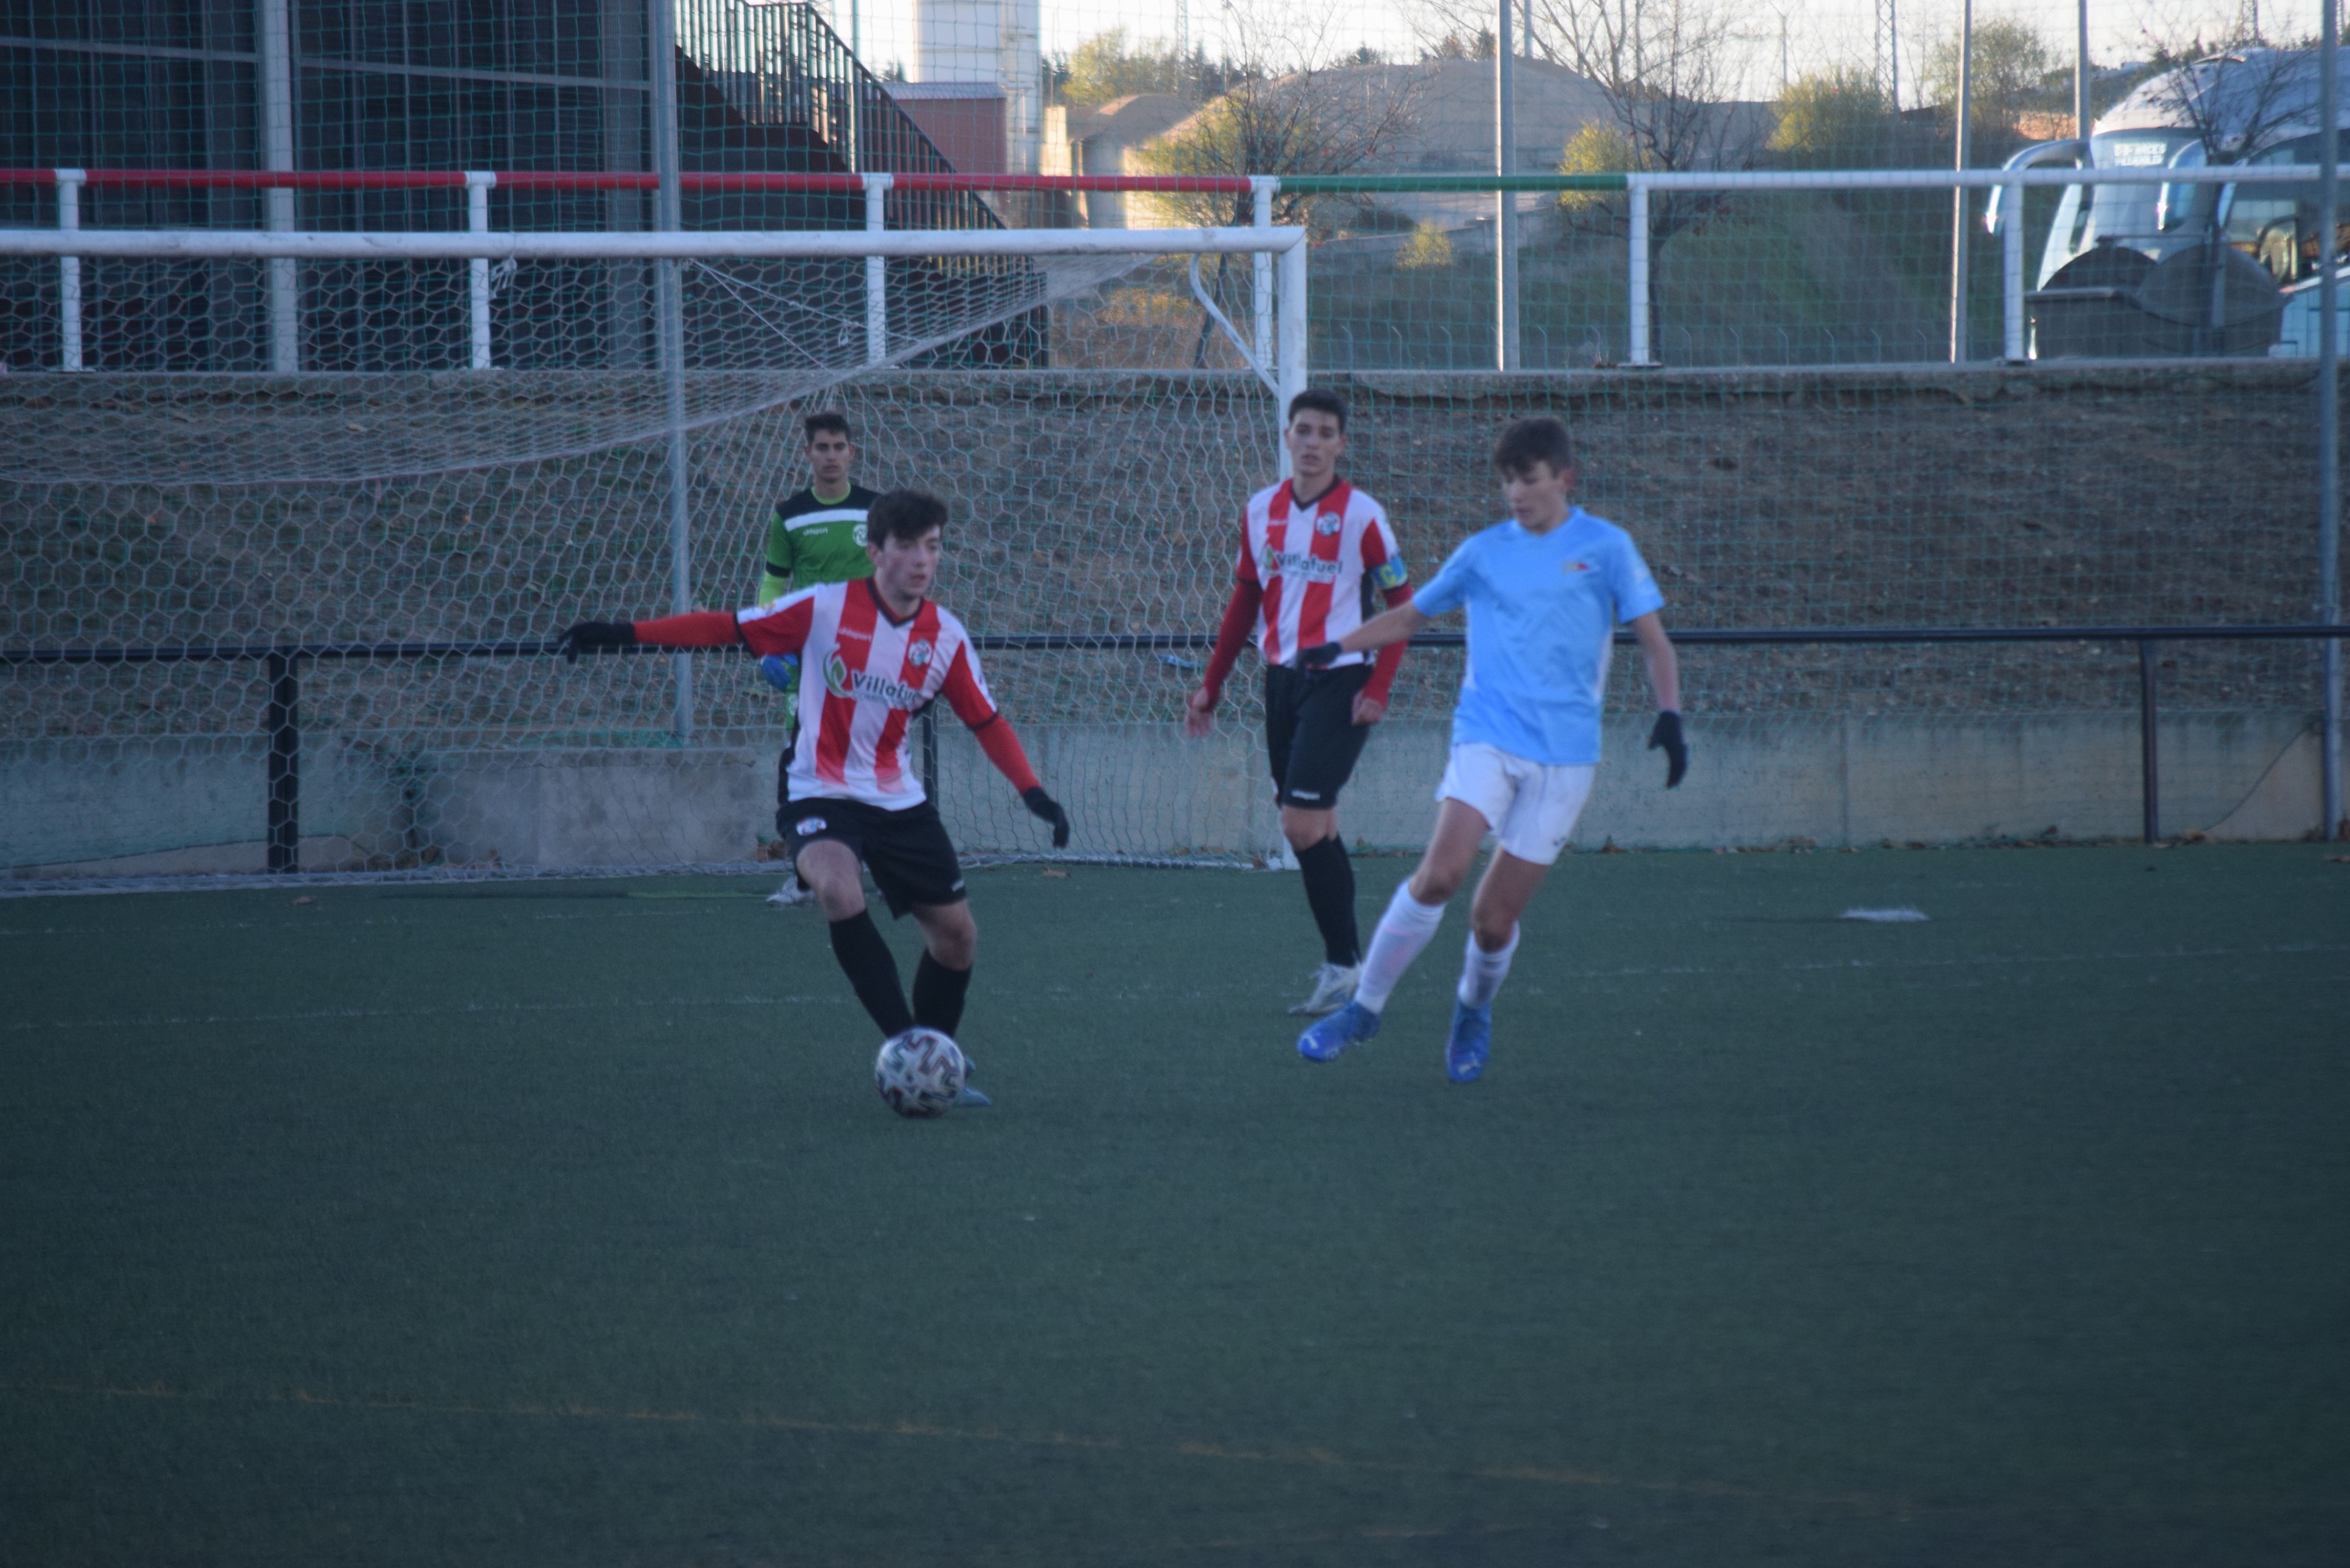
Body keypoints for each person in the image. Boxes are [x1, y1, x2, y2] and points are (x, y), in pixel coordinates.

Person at [560, 489, 1070, 1108]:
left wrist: (1033, 793)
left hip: (897, 800)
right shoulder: (823, 608)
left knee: (957, 938)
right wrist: (622, 633)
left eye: (931, 547)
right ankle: (910, 1050)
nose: (921, 561)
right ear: (874, 550)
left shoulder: (945, 637)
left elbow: (986, 722)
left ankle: (935, 1056)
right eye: (906, 547)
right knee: (836, 886)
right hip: (816, 788)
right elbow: (726, 628)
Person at [1293, 416, 1689, 1083]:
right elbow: (1411, 614)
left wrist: (1670, 716)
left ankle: (1472, 1010)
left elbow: (1653, 641)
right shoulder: (1481, 553)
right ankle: (1362, 1010)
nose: (1515, 493)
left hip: (1564, 760)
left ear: (1564, 479)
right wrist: (1339, 646)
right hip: (1486, 736)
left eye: (1527, 480)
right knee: (1440, 875)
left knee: (1491, 920)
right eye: (1506, 480)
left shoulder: (1607, 548)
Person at [1184, 388, 1414, 1017]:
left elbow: (1404, 609)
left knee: (1298, 824)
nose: (1312, 443)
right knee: (1319, 826)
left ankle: (1345, 967)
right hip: (1280, 681)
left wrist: (1377, 687)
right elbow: (1243, 604)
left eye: (1325, 433)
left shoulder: (1364, 517)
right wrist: (1212, 683)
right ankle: (1351, 969)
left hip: (1339, 679)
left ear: (1341, 445)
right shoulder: (1259, 511)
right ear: (1286, 436)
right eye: (1302, 431)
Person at [759, 412, 881, 908]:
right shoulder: (788, 514)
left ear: (853, 452)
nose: (830, 456)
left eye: (839, 447)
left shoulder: (879, 511)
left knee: (871, 764)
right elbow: (774, 582)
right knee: (804, 765)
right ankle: (806, 876)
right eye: (822, 448)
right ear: (807, 454)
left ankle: (885, 865)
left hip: (868, 658)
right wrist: (769, 641)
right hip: (809, 658)